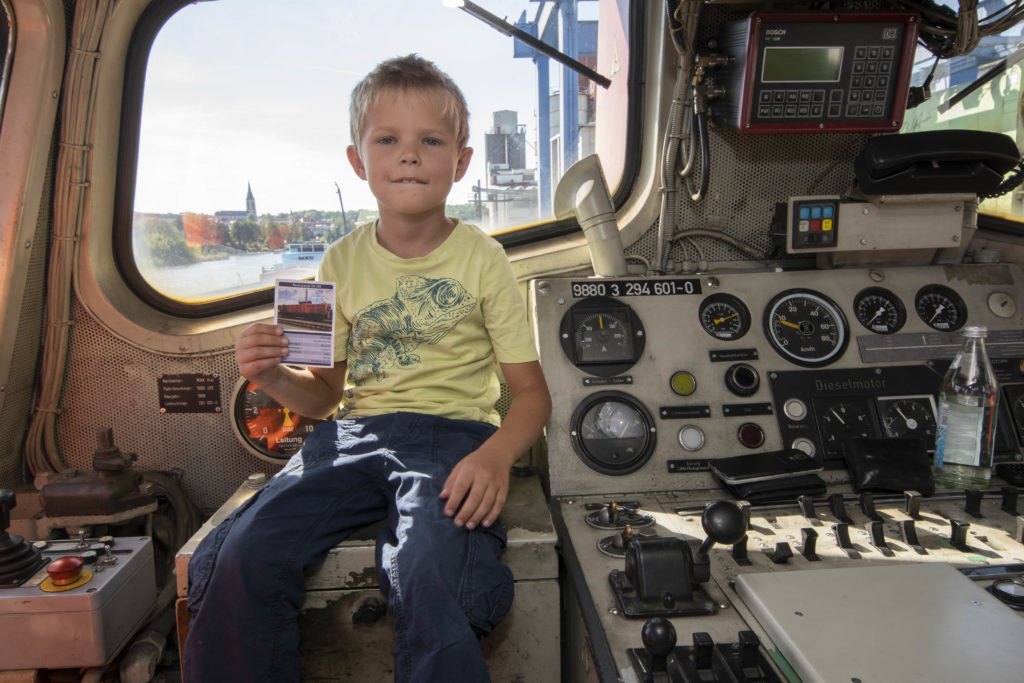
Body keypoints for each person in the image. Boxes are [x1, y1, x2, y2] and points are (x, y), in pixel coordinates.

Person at [182, 54, 551, 682]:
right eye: (388, 140)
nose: (409, 156)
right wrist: (272, 378)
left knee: (430, 568)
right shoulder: (333, 264)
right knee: (240, 554)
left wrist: (494, 456)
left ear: (460, 162)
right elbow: (323, 398)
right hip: (352, 437)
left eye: (430, 141)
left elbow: (532, 396)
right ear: (359, 161)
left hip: (453, 440)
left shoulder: (485, 260)